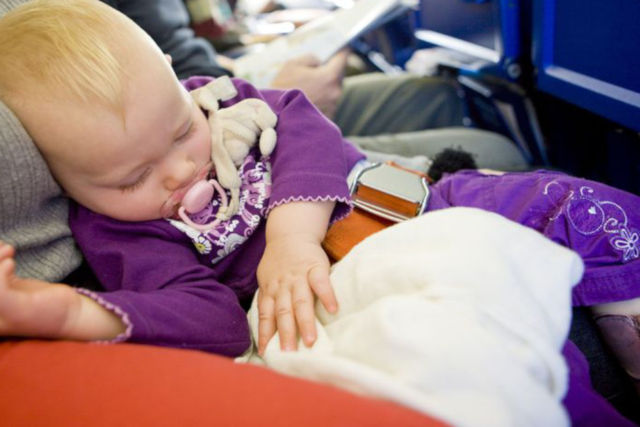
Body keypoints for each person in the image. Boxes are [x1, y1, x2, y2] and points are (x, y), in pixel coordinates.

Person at [0, 1, 638, 424]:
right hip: (353, 286)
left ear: (177, 80)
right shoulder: (119, 233)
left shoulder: (223, 105)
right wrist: (65, 311)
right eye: (133, 177)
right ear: (65, 186)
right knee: (476, 353)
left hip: (411, 199)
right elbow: (211, 320)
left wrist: (289, 238)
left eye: (177, 132)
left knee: (574, 202)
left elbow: (305, 127)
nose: (177, 171)